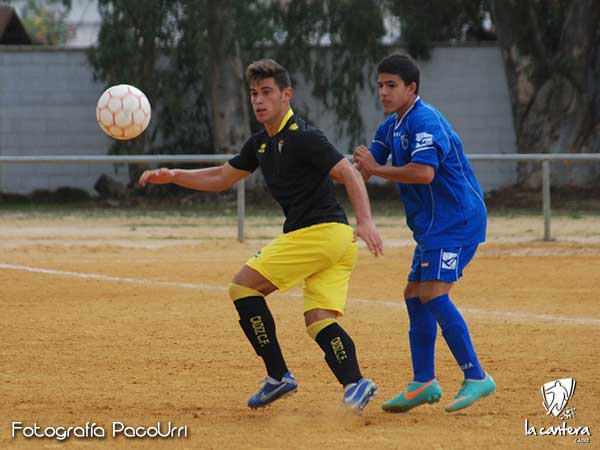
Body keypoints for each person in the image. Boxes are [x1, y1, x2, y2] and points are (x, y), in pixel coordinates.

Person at [139, 58, 383, 414]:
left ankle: (278, 375)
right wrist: (174, 174)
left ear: (287, 95)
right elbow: (221, 177)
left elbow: (349, 172)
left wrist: (366, 221)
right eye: (254, 93)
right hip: (336, 244)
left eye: (267, 92)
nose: (259, 100)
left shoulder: (303, 136)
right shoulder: (260, 144)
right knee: (319, 321)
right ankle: (356, 383)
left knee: (242, 288)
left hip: (319, 234)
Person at [354, 53, 496, 413]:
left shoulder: (425, 120)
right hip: (434, 227)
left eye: (391, 85)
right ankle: (424, 382)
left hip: (457, 221)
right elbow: (366, 166)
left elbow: (423, 173)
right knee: (414, 294)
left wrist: (377, 169)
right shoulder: (392, 126)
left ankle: (477, 376)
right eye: (380, 86)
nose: (383, 92)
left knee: (432, 294)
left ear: (411, 87)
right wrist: (331, 167)